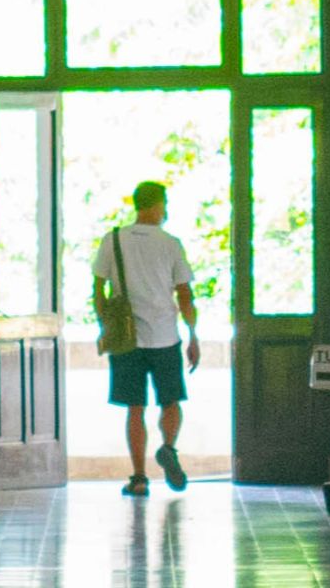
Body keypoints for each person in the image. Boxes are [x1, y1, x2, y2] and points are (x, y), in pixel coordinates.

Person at [92, 181, 201, 498]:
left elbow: (98, 288)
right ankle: (168, 447)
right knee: (171, 402)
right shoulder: (171, 243)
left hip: (127, 339)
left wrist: (105, 324)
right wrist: (193, 335)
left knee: (134, 408)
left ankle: (139, 478)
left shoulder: (113, 240)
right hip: (165, 335)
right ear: (158, 205)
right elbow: (185, 293)